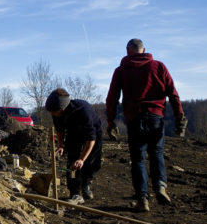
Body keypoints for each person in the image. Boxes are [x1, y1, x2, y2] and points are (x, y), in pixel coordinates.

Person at [105, 38, 187, 212]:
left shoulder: (121, 70)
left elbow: (112, 97)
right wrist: (179, 115)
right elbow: (173, 93)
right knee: (157, 153)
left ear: (128, 50)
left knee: (138, 159)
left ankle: (142, 198)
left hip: (135, 118)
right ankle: (160, 187)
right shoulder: (159, 66)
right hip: (156, 117)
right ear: (144, 50)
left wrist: (111, 121)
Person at [45, 88, 102, 204]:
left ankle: (85, 185)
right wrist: (61, 145)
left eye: (54, 112)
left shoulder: (83, 111)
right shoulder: (56, 113)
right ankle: (75, 193)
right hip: (73, 133)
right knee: (72, 162)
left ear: (62, 108)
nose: (52, 114)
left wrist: (82, 159)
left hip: (93, 133)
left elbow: (91, 139)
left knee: (90, 162)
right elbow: (60, 130)